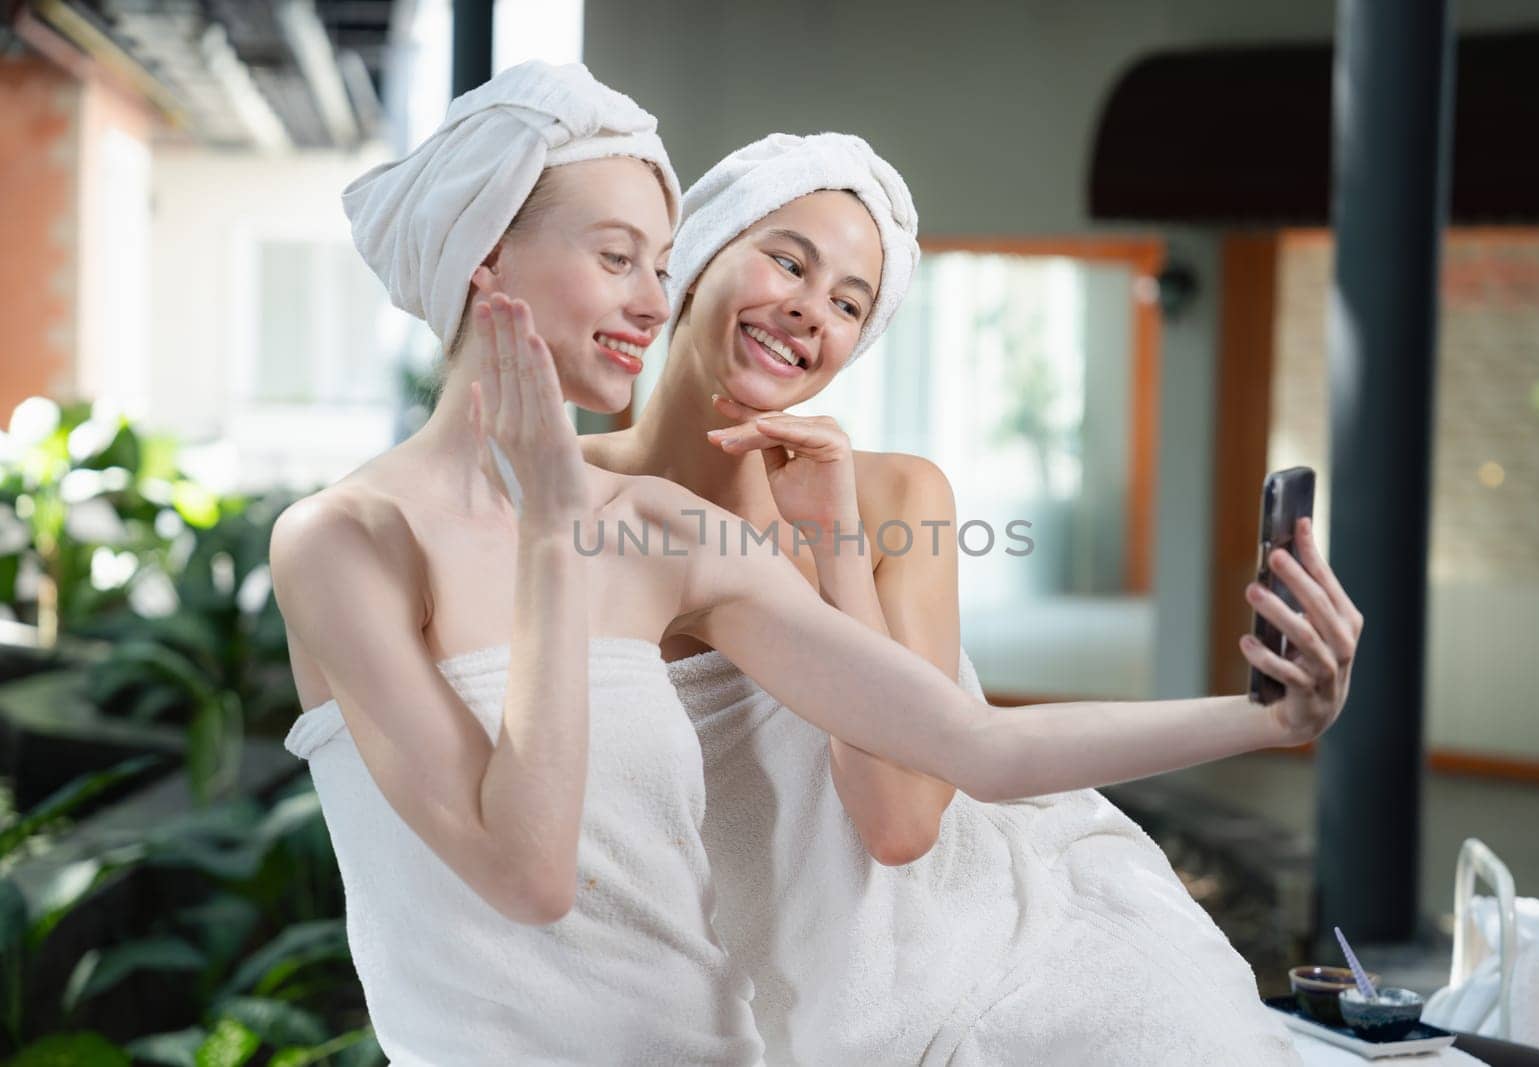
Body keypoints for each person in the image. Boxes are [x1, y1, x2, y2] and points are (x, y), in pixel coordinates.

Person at [274, 64, 1357, 1064]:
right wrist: (555, 532)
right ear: (485, 256)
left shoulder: (662, 525)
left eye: (655, 261)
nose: (649, 300)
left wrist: (1267, 718)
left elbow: (966, 745)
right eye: (620, 259)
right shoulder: (343, 540)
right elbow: (529, 874)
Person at [579, 132, 1341, 1065]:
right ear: (694, 258)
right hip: (735, 990)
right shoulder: (556, 498)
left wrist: (835, 547)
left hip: (975, 951)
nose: (810, 310)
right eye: (788, 259)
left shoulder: (896, 499)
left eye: (850, 303)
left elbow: (901, 823)